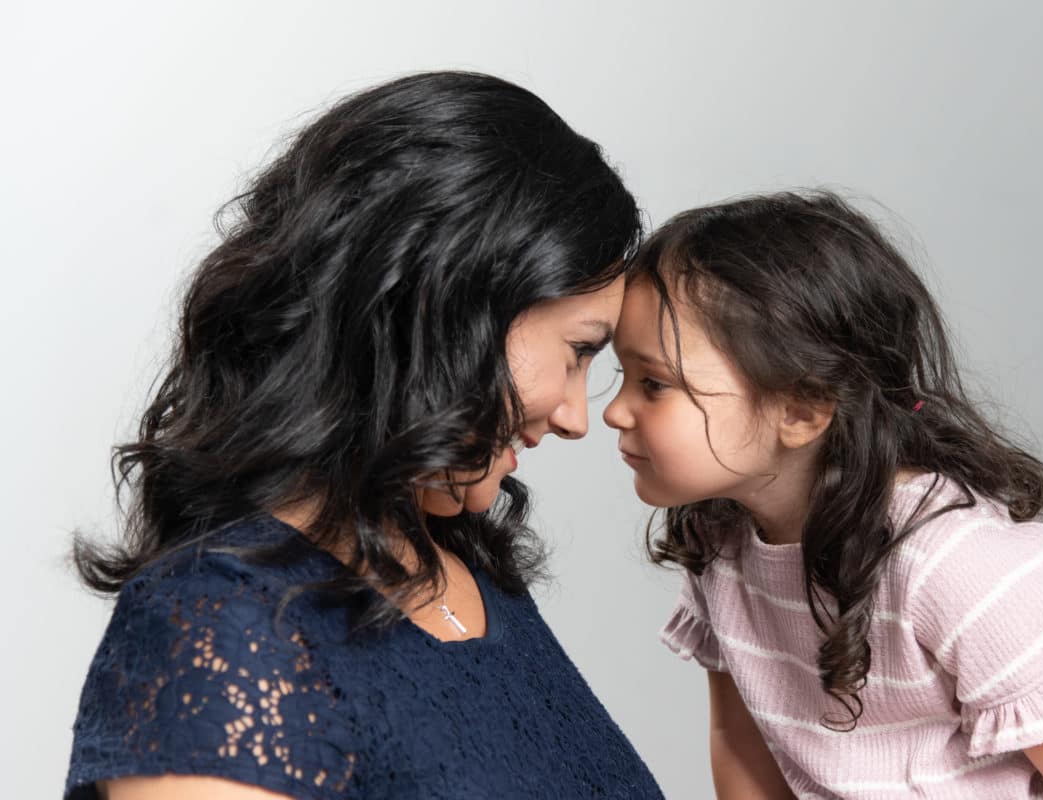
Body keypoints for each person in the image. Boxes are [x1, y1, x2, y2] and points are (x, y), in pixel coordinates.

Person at [66, 71, 663, 799]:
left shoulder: (471, 578)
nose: (576, 416)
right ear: (446, 307)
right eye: (578, 351)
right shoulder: (221, 623)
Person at [603, 191, 1043, 798]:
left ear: (802, 409)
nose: (613, 410)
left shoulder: (950, 561)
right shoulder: (720, 542)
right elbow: (741, 743)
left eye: (653, 383)